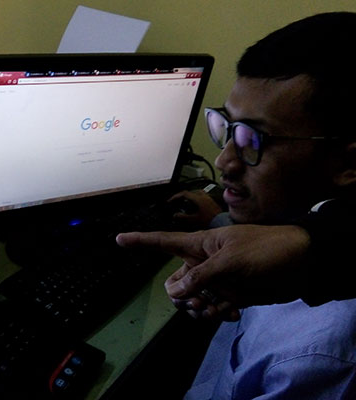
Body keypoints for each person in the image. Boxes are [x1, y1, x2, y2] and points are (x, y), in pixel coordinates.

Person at [118, 12, 356, 399]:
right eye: (226, 126)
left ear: (348, 164)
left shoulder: (316, 357)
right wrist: (218, 219)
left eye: (252, 138)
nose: (225, 160)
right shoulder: (294, 232)